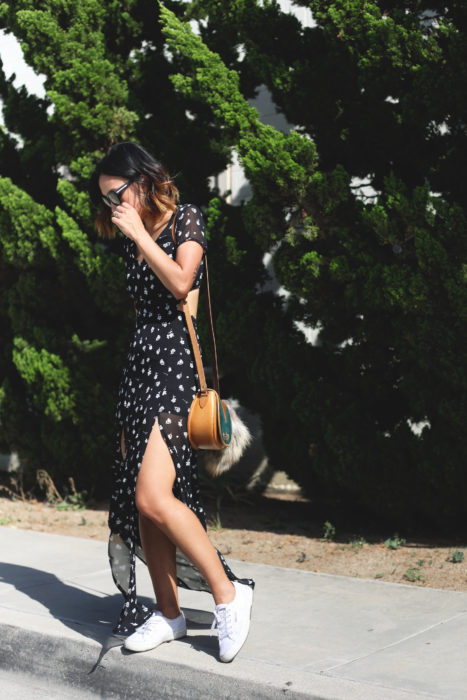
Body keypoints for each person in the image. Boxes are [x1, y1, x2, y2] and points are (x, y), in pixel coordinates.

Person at [89, 142, 254, 663]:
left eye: (116, 194)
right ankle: (169, 613)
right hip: (139, 372)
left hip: (177, 371)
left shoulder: (186, 219)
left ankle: (230, 596)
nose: (112, 208)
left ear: (140, 180)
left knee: (154, 496)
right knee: (142, 505)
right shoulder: (128, 239)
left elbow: (183, 283)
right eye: (105, 201)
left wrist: (139, 233)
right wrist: (133, 236)